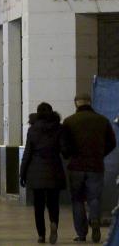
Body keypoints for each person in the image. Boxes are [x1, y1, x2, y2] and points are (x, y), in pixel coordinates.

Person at [61, 91, 117, 243]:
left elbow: (64, 146)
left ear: (76, 104)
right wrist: (100, 154)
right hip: (96, 166)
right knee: (94, 198)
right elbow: (112, 143)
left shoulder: (69, 121)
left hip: (76, 167)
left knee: (77, 200)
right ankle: (95, 221)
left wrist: (69, 155)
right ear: (90, 103)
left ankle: (81, 233)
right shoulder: (102, 120)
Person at [21, 102, 66, 244]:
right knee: (53, 203)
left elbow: (27, 153)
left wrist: (22, 173)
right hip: (54, 169)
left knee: (38, 205)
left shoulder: (33, 129)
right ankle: (54, 223)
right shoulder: (59, 128)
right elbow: (64, 149)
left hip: (36, 170)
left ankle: (41, 235)